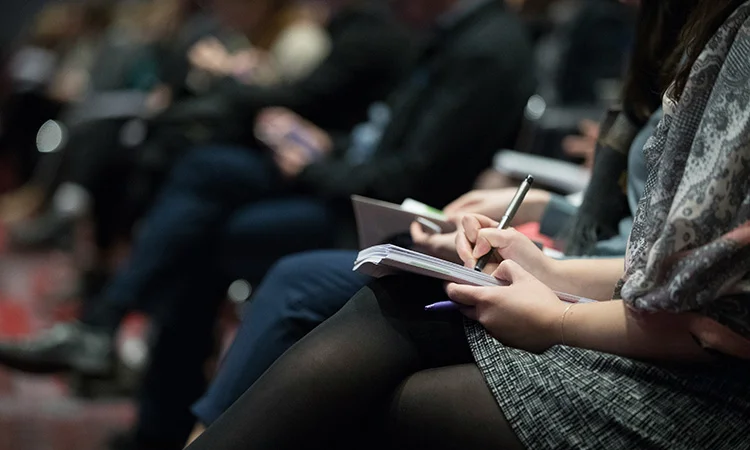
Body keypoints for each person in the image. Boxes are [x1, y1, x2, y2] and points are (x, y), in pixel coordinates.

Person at [186, 1, 750, 449]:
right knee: (382, 293)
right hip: (636, 317)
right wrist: (549, 265)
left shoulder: (729, 41)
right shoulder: (703, 37)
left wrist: (555, 313)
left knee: (361, 364)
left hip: (704, 395)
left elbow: (712, 322)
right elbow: (659, 270)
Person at [0, 0, 535, 449]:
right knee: (204, 176)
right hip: (356, 187)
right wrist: (325, 148)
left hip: (398, 220)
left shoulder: (479, 47)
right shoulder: (447, 32)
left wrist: (316, 164)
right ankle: (144, 390)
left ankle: (155, 397)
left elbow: (410, 174)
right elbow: (381, 137)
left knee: (216, 232)